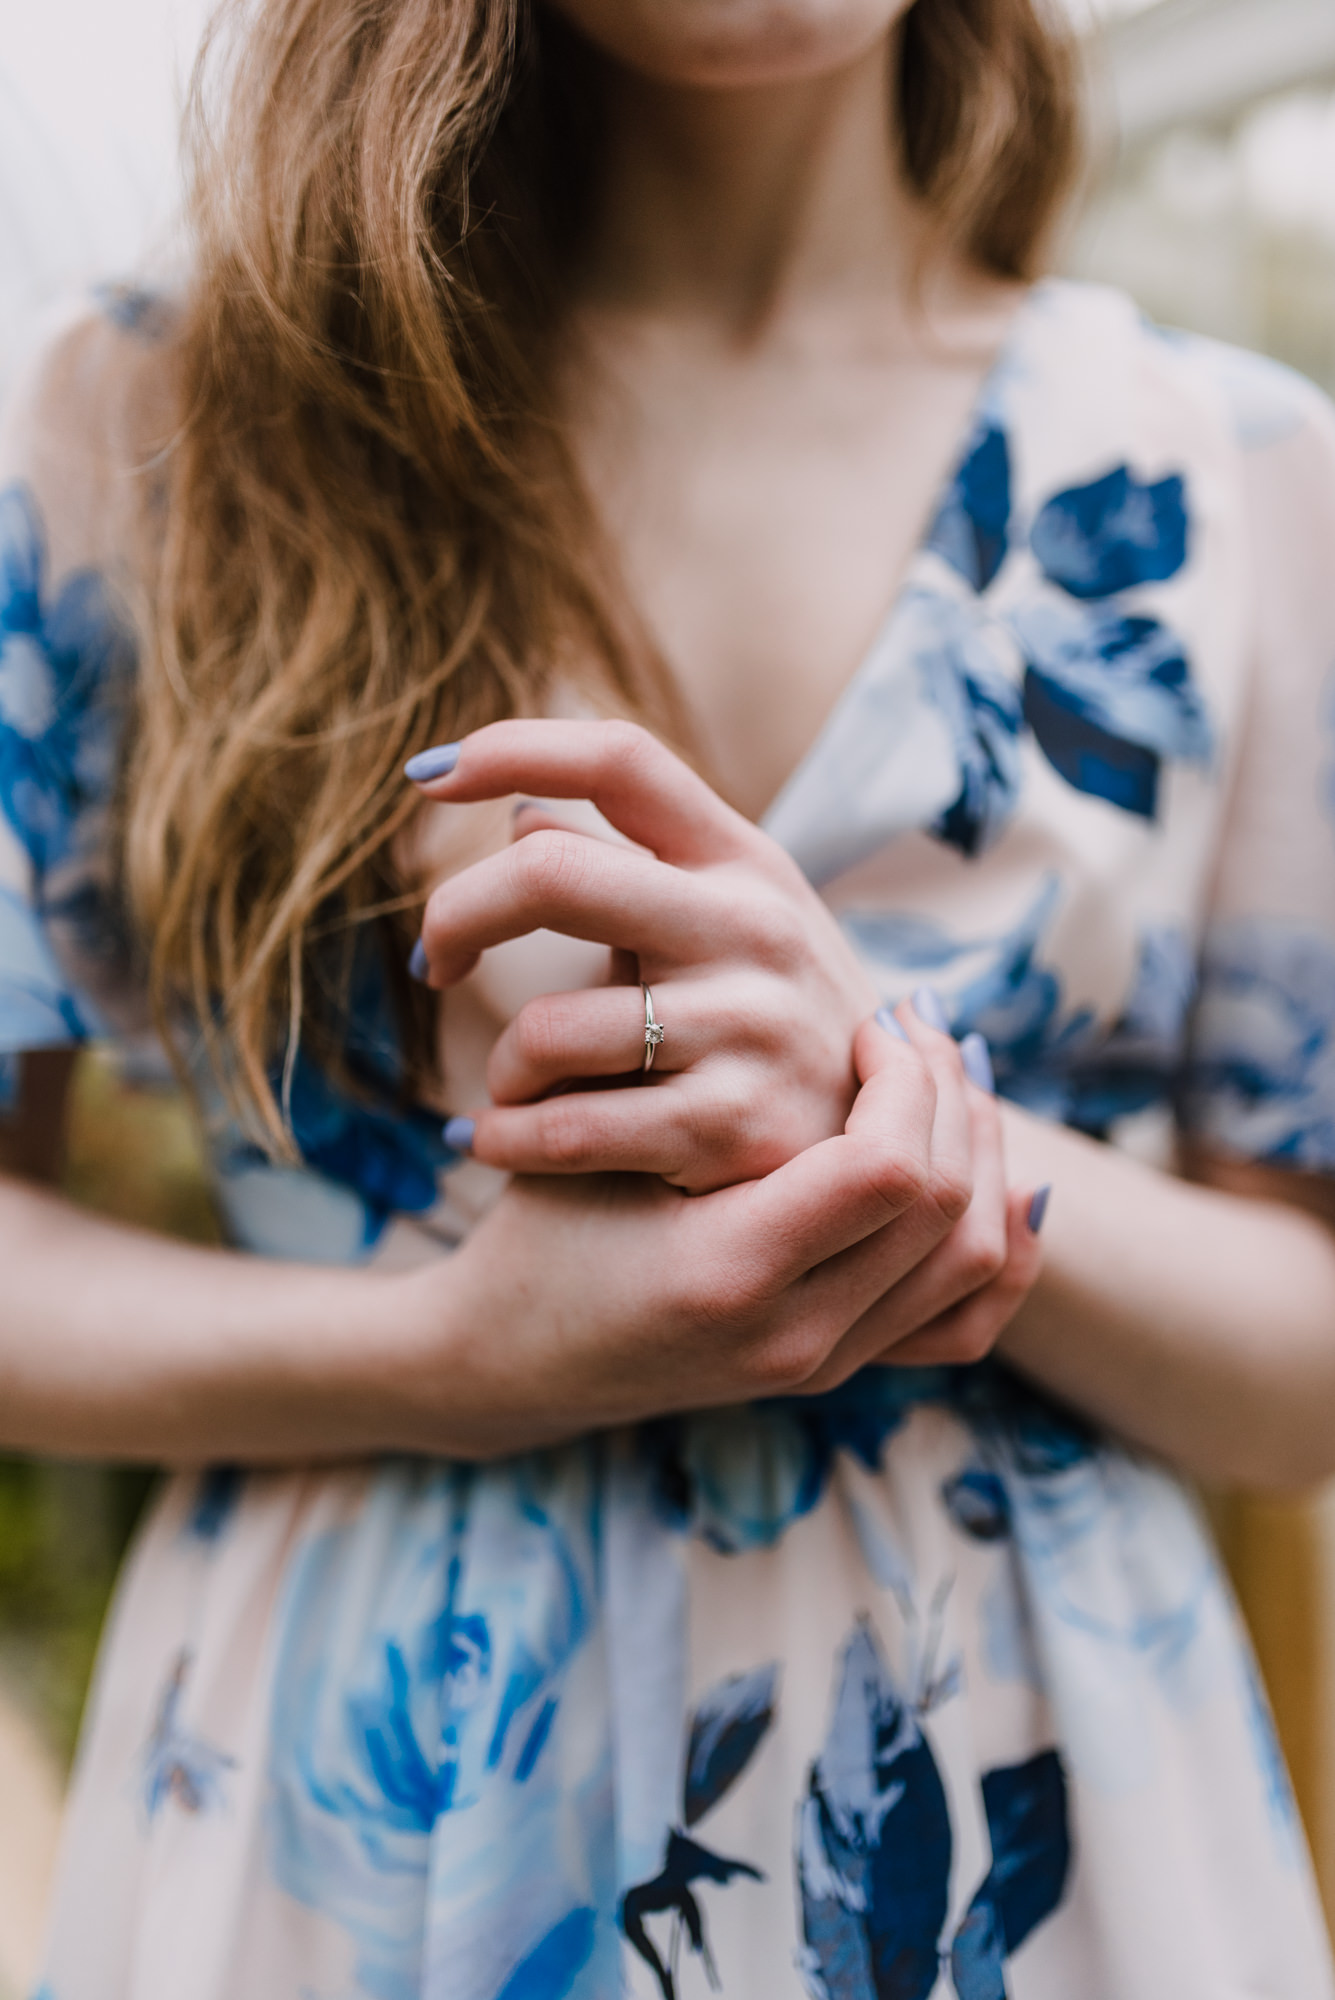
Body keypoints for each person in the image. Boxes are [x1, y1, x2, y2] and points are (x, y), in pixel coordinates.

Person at [4, 0, 1335, 1991]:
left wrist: (879, 1112)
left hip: (1026, 1823)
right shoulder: (158, 419)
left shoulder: (1235, 480)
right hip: (364, 1838)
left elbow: (1299, 1356)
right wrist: (446, 1353)